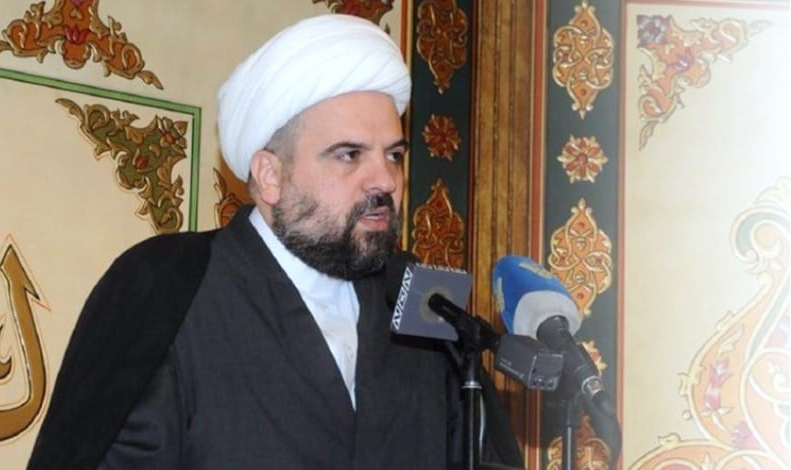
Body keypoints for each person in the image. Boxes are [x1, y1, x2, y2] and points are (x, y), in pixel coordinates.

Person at [28, 14, 522, 469]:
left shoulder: (423, 304)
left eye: (393, 155)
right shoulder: (167, 287)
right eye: (349, 155)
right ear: (270, 176)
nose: (386, 181)